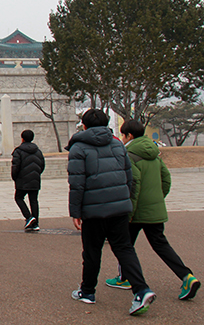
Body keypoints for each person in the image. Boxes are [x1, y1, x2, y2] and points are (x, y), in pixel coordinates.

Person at [67, 109, 155, 316]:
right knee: (124, 249)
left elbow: (77, 183)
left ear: (84, 126)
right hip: (119, 208)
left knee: (92, 251)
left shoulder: (78, 148)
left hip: (94, 209)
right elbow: (128, 176)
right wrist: (125, 200)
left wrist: (75, 211)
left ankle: (87, 291)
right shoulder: (118, 144)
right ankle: (141, 290)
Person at [104, 119, 200, 300]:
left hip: (137, 211)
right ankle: (187, 276)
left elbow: (134, 185)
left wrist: (129, 213)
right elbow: (166, 180)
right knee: (161, 245)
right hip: (154, 210)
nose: (122, 139)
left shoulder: (130, 155)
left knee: (124, 246)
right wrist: (156, 200)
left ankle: (125, 278)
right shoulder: (155, 154)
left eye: (123, 135)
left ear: (129, 136)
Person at [11, 130, 45, 231]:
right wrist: (36, 174)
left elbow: (15, 166)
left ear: (22, 138)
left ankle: (29, 217)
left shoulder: (18, 151)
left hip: (22, 179)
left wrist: (15, 177)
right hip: (35, 179)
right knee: (34, 200)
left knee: (18, 198)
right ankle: (35, 223)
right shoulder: (38, 151)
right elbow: (42, 165)